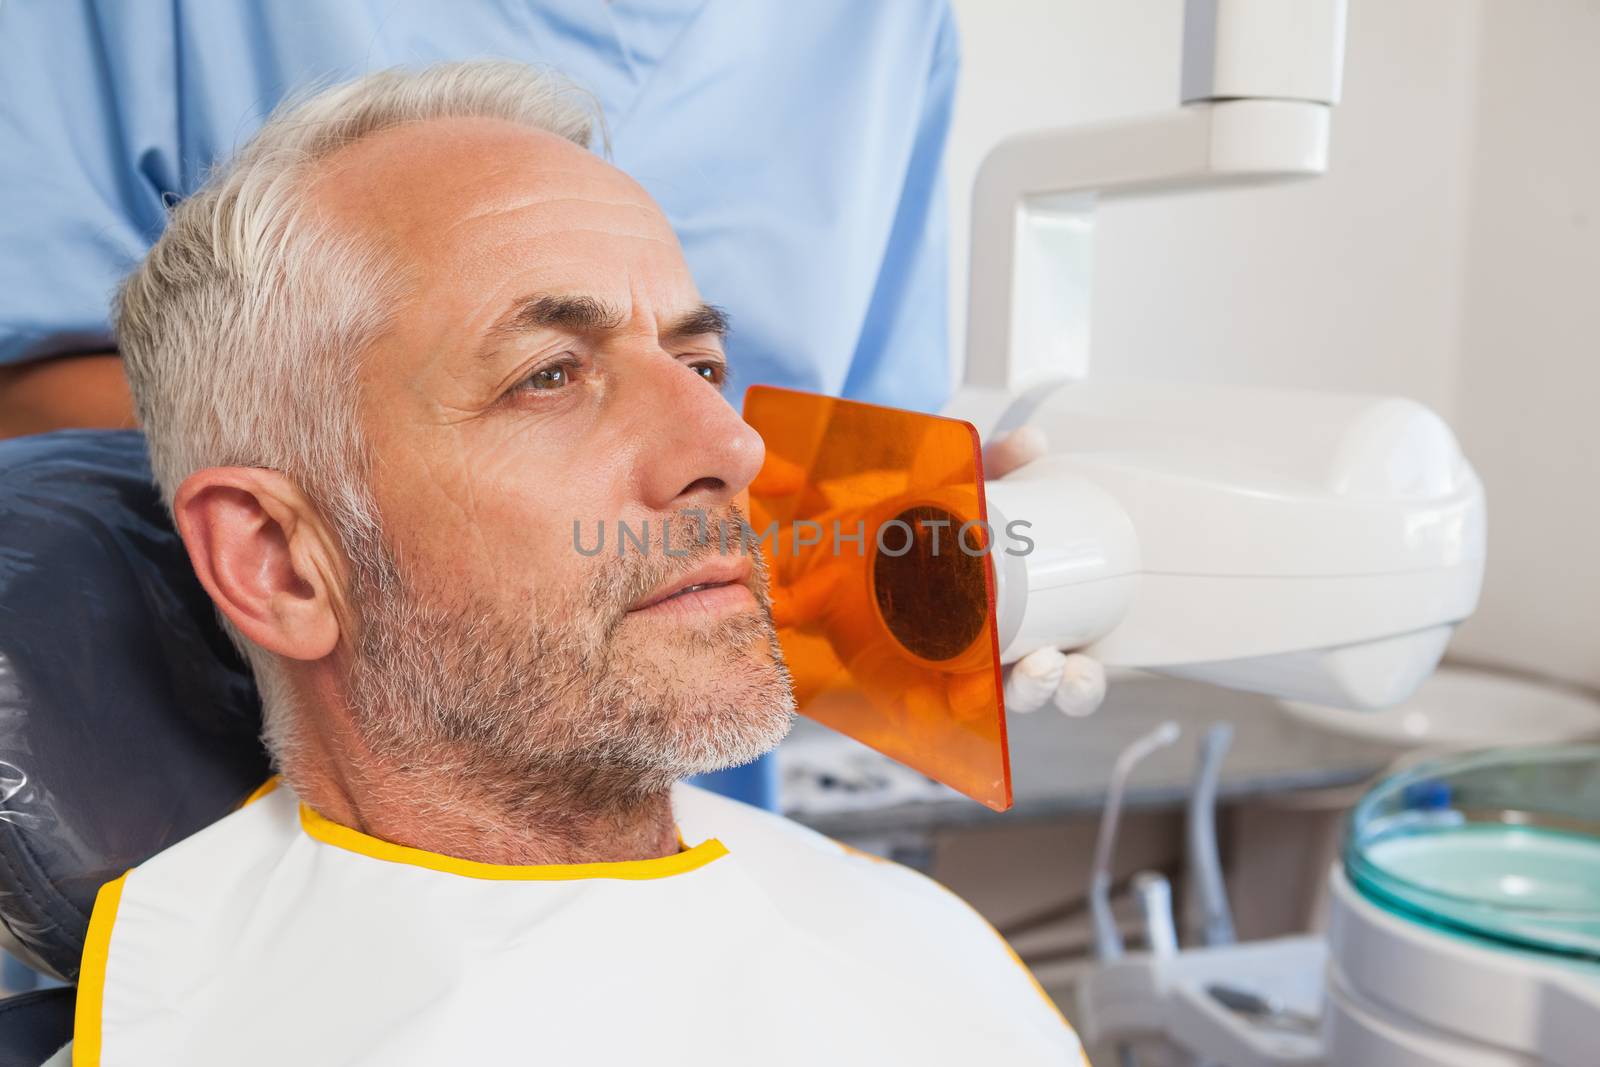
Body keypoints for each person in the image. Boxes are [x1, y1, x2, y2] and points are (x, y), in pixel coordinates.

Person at [48, 62, 1087, 1065]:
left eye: (699, 365)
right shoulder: (221, 1022)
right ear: (279, 561)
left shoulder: (917, 946)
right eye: (548, 376)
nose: (732, 447)